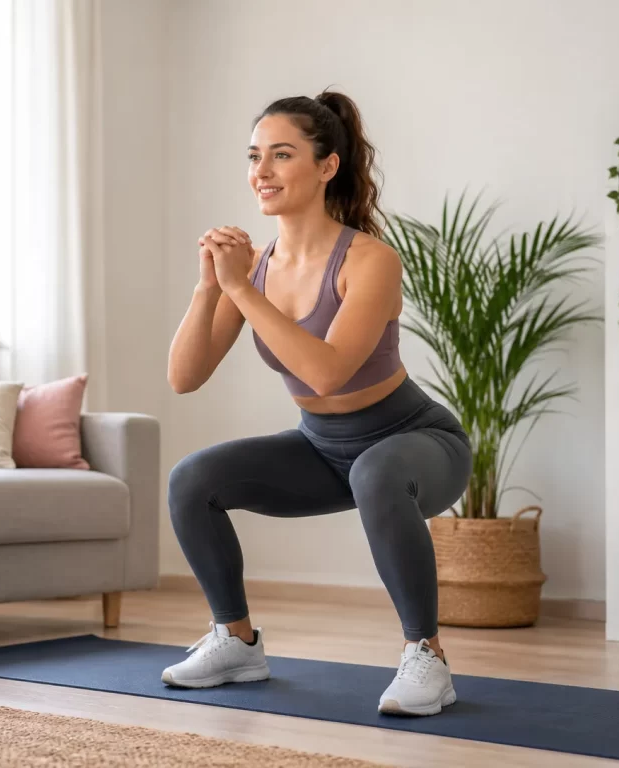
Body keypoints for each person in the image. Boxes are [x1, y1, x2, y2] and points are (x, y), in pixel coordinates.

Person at [163, 89, 472, 717]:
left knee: (377, 469)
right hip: (321, 449)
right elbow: (184, 377)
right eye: (255, 157)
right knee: (192, 479)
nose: (262, 172)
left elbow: (328, 373)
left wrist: (242, 291)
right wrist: (208, 289)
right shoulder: (254, 268)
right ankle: (237, 641)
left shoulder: (370, 260)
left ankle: (427, 658)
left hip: (416, 443)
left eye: (281, 155)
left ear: (326, 166)